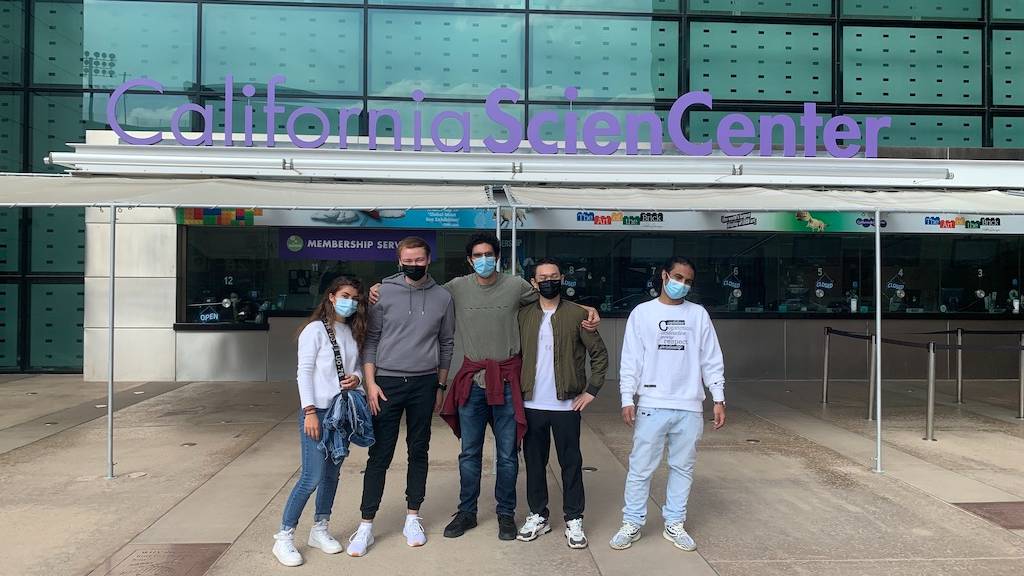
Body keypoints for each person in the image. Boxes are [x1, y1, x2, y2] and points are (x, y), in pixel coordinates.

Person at [370, 232, 600, 541]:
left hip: (507, 380)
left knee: (507, 454)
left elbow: (551, 300)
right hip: (473, 381)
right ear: (469, 260)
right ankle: (467, 512)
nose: (483, 260)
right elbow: (421, 285)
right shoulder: (454, 289)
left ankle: (506, 513)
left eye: (488, 254)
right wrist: (381, 285)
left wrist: (586, 309)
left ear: (498, 258)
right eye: (477, 256)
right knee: (469, 453)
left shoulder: (517, 286)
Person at [346, 237, 456, 557]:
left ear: (428, 259)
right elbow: (371, 340)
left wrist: (440, 386)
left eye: (419, 259)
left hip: (424, 383)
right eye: (407, 260)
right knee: (380, 454)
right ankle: (366, 524)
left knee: (418, 450)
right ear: (399, 260)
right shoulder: (383, 293)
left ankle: (412, 516)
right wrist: (370, 384)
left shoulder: (443, 297)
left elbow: (447, 343)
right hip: (387, 384)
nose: (413, 265)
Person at [609, 257, 727, 553]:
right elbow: (631, 359)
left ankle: (674, 522)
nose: (681, 285)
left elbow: (711, 359)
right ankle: (632, 522)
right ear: (664, 276)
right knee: (640, 468)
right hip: (652, 403)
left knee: (682, 468)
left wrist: (718, 397)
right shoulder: (642, 313)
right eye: (677, 277)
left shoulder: (698, 315)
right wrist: (627, 397)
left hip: (689, 406)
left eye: (687, 281)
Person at [272, 276, 366, 567]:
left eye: (356, 298)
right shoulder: (314, 330)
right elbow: (304, 372)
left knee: (331, 475)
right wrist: (309, 411)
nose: (351, 302)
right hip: (319, 412)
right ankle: (284, 536)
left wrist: (358, 378)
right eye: (346, 295)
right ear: (331, 296)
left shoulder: (351, 331)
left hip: (342, 413)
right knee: (311, 476)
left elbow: (359, 366)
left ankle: (320, 529)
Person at [515, 257, 608, 549]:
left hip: (566, 405)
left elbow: (599, 355)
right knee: (534, 463)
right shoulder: (523, 315)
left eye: (553, 276)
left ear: (562, 278)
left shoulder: (577, 314)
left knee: (570, 462)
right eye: (542, 277)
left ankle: (573, 519)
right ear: (533, 283)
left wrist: (591, 391)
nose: (548, 281)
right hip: (531, 404)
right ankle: (537, 515)